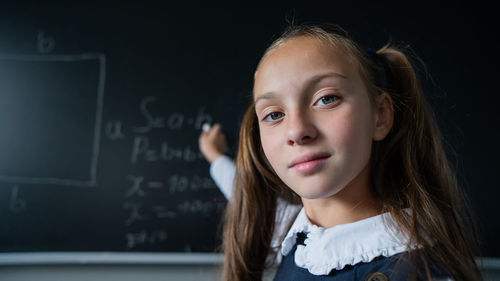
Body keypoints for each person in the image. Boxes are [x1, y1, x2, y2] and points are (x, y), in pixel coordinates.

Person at [199, 24, 482, 281]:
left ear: (380, 116)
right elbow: (242, 192)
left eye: (326, 99)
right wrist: (215, 156)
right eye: (274, 115)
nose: (297, 131)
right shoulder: (296, 232)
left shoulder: (418, 273)